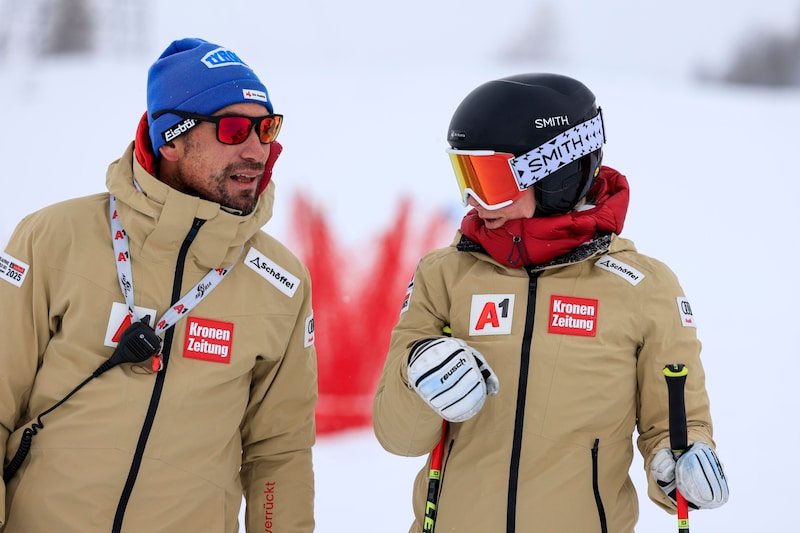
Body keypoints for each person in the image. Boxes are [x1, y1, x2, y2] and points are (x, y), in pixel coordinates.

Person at [372, 73, 729, 532]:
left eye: (491, 180)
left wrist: (681, 464)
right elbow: (396, 435)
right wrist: (418, 376)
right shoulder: (443, 275)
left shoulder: (645, 288)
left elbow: (675, 430)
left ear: (556, 173)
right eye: (466, 175)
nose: (474, 201)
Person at [0, 38, 317, 532]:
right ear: (171, 137)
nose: (259, 150)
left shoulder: (281, 281)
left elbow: (279, 454)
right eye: (234, 129)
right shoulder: (50, 239)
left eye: (267, 128)